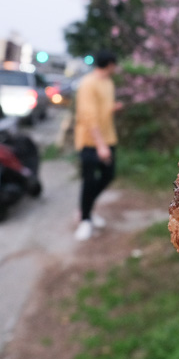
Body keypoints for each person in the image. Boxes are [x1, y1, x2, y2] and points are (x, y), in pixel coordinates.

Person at [73, 51, 123, 241]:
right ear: (109, 64)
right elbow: (89, 117)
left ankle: (86, 209)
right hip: (89, 141)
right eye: (115, 65)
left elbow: (103, 108)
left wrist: (113, 108)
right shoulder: (88, 83)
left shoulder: (108, 83)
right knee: (88, 180)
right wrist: (100, 146)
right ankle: (85, 219)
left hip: (108, 138)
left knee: (108, 175)